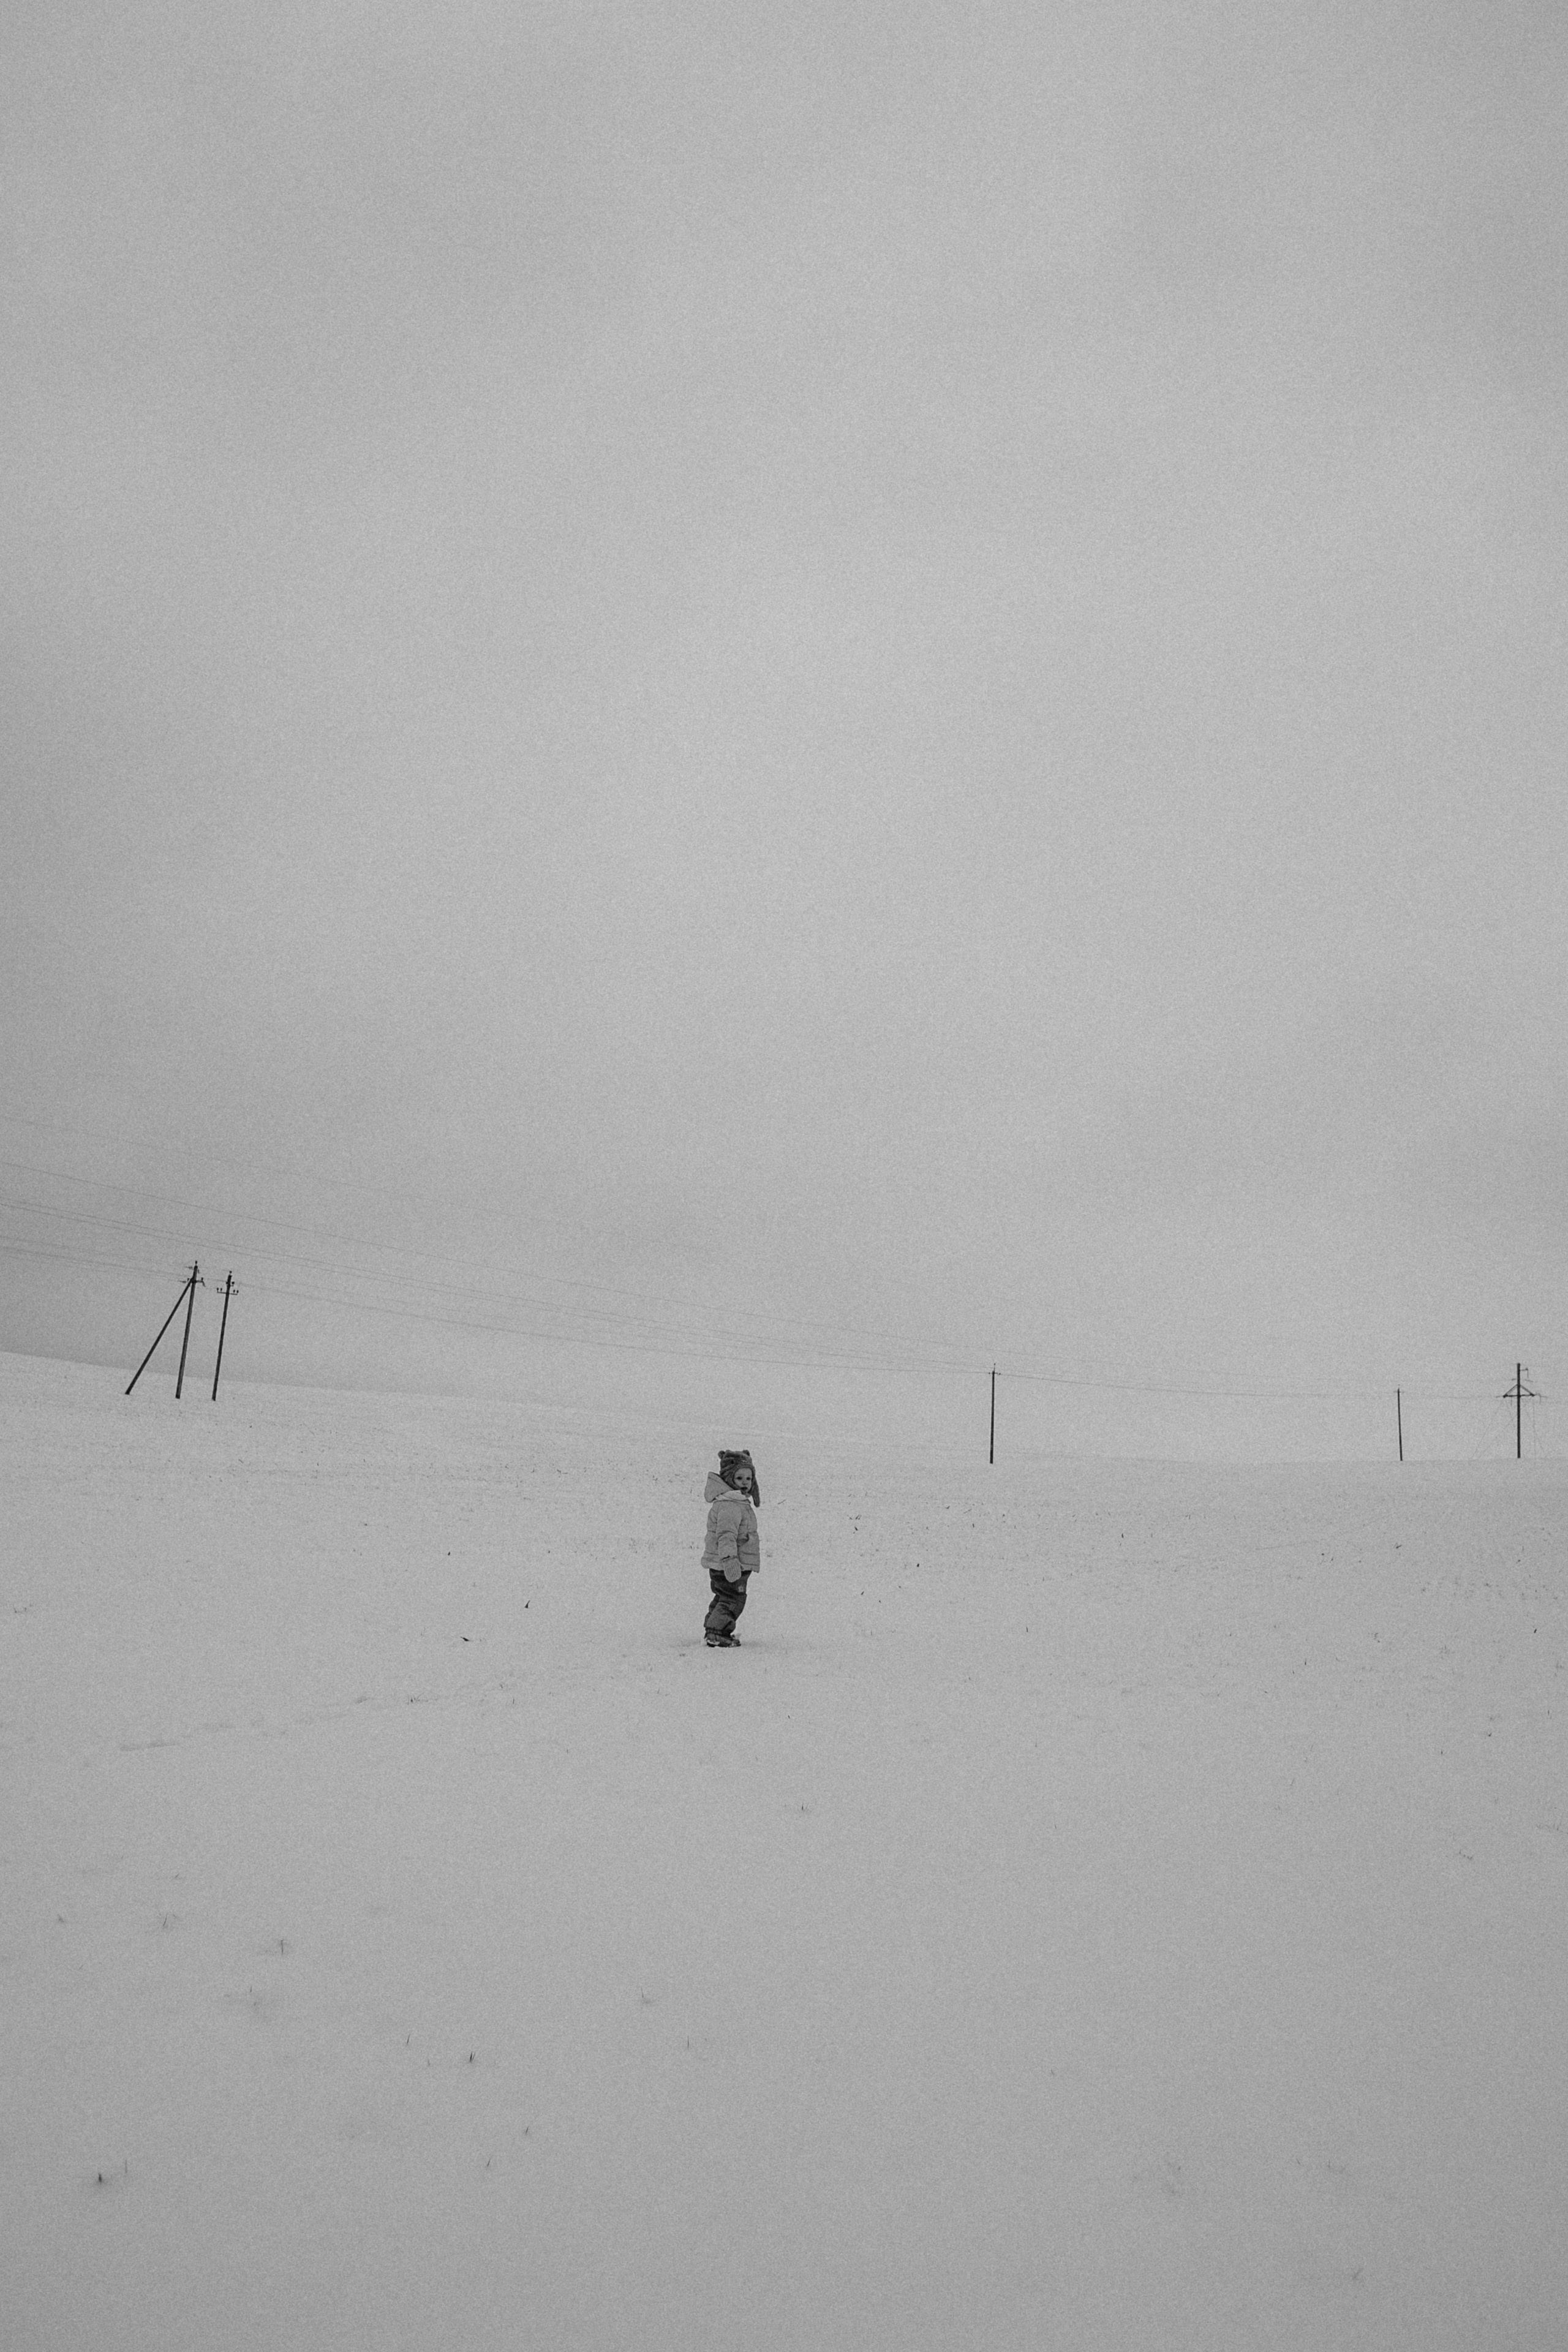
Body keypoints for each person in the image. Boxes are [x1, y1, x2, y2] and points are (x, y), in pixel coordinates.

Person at [701, 1449, 761, 1647]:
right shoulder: (730, 1506)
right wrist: (730, 1561)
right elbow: (726, 1536)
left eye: (749, 1478)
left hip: (726, 1563)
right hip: (729, 1564)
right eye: (739, 1477)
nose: (745, 1482)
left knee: (723, 1596)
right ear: (729, 1479)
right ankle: (718, 1632)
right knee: (733, 1599)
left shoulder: (736, 1502)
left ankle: (713, 1628)